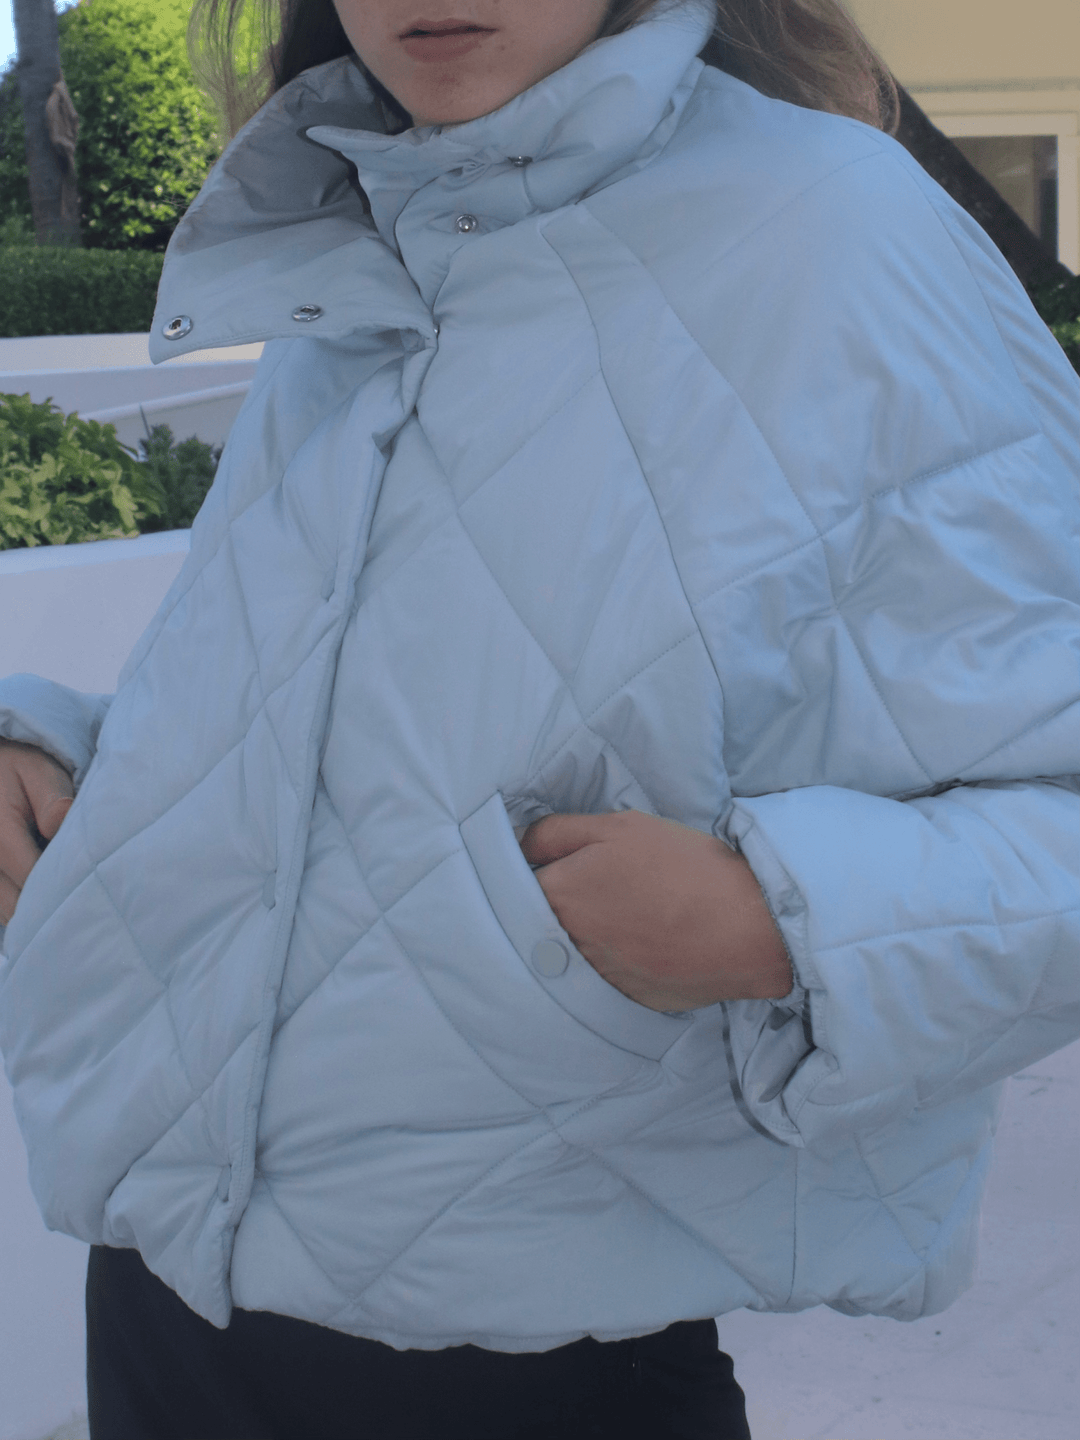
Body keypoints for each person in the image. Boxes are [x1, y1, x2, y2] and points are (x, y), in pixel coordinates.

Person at [1, 0, 1078, 1435]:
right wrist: (65, 760)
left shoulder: (841, 232)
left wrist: (783, 919)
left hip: (538, 1358)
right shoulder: (357, 217)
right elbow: (331, 698)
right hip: (164, 1299)